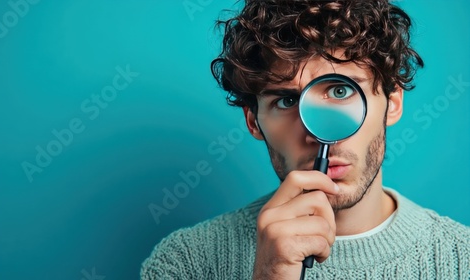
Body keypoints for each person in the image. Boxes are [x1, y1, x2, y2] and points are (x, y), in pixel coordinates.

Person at [141, 0, 470, 279]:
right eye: (285, 101)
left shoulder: (461, 260)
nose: (315, 132)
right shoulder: (183, 263)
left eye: (341, 91)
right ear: (253, 121)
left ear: (392, 102)